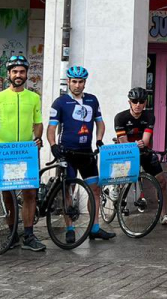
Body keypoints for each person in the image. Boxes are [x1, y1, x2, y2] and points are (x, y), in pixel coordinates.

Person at [0, 54, 46, 251]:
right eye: (15, 71)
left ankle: (29, 235)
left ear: (26, 74)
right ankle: (12, 234)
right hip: (4, 151)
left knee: (30, 193)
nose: (18, 75)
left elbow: (38, 122)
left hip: (26, 151)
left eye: (22, 72)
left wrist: (38, 137)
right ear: (8, 74)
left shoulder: (34, 97)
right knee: (7, 194)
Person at [47, 65, 116, 244]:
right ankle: (70, 228)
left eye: (81, 82)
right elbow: (51, 128)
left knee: (95, 189)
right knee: (69, 191)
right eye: (74, 82)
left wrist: (99, 140)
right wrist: (53, 145)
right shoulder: (60, 102)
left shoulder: (92, 100)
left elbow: (100, 123)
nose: (78, 85)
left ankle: (94, 228)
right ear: (68, 82)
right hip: (67, 153)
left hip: (86, 153)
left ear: (85, 83)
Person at [113, 86, 167, 227]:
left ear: (145, 103)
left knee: (162, 182)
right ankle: (116, 188)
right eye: (134, 101)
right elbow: (123, 141)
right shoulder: (120, 117)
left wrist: (139, 143)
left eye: (141, 101)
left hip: (144, 152)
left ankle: (164, 215)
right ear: (129, 102)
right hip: (127, 152)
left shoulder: (149, 116)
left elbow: (146, 140)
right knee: (123, 179)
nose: (138, 104)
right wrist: (136, 143)